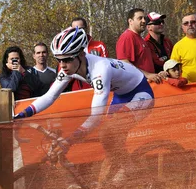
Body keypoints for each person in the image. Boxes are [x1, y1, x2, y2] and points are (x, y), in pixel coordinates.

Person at [15, 27, 154, 175]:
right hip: (121, 95)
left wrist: (69, 140)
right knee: (110, 142)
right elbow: (50, 96)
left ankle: (135, 175)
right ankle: (131, 173)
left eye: (67, 59)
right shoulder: (68, 68)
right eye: (59, 59)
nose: (62, 65)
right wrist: (23, 114)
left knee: (107, 133)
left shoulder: (100, 69)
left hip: (140, 93)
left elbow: (96, 116)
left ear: (81, 54)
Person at [116, 8, 166, 83]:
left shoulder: (140, 38)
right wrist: (148, 75)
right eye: (140, 18)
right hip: (136, 86)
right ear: (130, 21)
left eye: (144, 18)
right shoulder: (127, 37)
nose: (144, 21)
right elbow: (124, 63)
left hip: (147, 84)